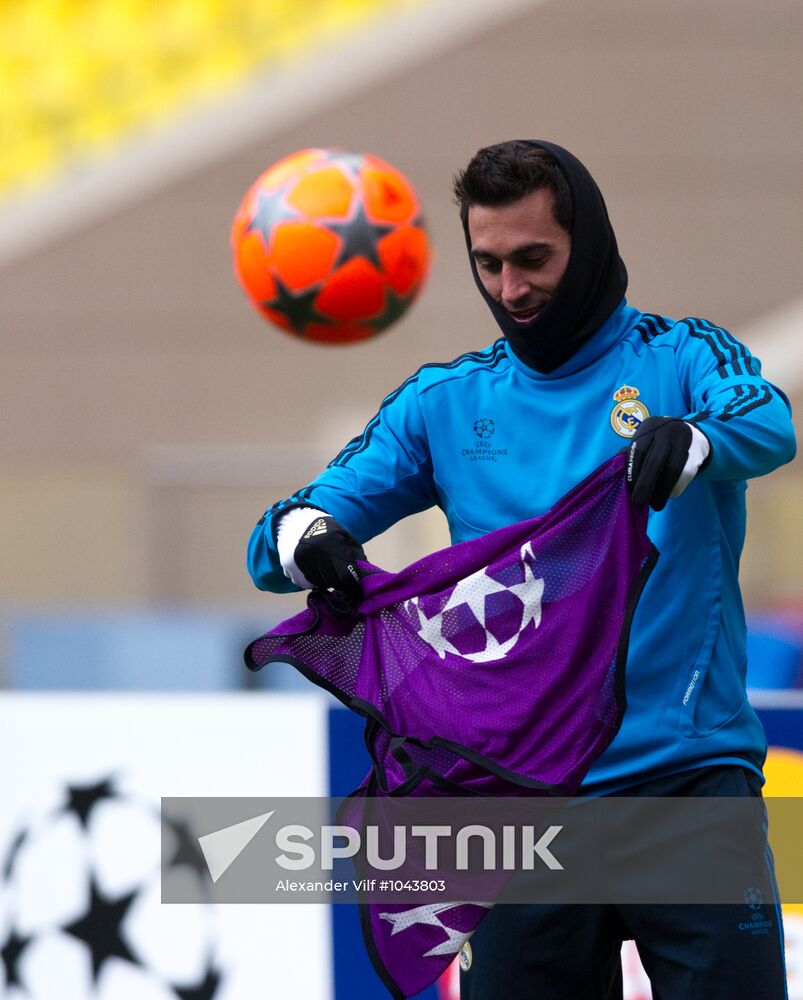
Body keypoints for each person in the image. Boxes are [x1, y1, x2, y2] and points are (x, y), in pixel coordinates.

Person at [247, 140, 796, 999]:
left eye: (533, 258)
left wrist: (695, 440)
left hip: (686, 789)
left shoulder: (685, 358)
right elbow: (277, 539)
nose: (511, 289)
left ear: (591, 243)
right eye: (489, 264)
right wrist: (307, 537)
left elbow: (767, 422)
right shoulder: (443, 403)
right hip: (517, 805)